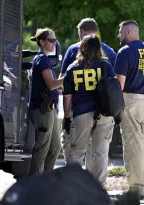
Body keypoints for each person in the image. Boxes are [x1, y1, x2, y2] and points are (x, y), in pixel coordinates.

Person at [114, 20, 144, 199]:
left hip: (130, 100)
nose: (119, 36)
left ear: (128, 32)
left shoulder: (124, 52)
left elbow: (119, 82)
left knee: (132, 145)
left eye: (120, 32)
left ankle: (136, 188)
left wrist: (116, 107)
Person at [60, 18, 116, 166]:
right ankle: (97, 187)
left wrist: (66, 116)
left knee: (76, 151)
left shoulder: (73, 53)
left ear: (82, 32)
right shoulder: (109, 53)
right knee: (100, 154)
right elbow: (116, 86)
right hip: (104, 111)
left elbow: (64, 86)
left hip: (80, 111)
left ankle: (75, 185)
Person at [28, 28, 63, 175]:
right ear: (42, 42)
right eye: (51, 40)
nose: (54, 43)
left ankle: (47, 183)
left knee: (55, 148)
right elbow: (51, 84)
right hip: (43, 110)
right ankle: (36, 188)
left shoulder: (44, 59)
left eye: (55, 40)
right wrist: (68, 77)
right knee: (41, 149)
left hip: (50, 109)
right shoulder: (42, 59)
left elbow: (51, 86)